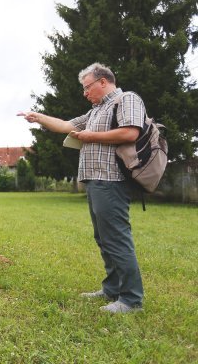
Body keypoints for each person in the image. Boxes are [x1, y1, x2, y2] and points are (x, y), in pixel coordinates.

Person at [18, 62, 144, 314]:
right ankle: (112, 288)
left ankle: (131, 300)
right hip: (96, 181)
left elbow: (131, 133)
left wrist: (90, 137)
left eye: (87, 87)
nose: (85, 93)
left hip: (112, 180)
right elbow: (66, 125)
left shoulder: (126, 99)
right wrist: (38, 117)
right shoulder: (96, 111)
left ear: (103, 82)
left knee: (117, 239)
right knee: (104, 239)